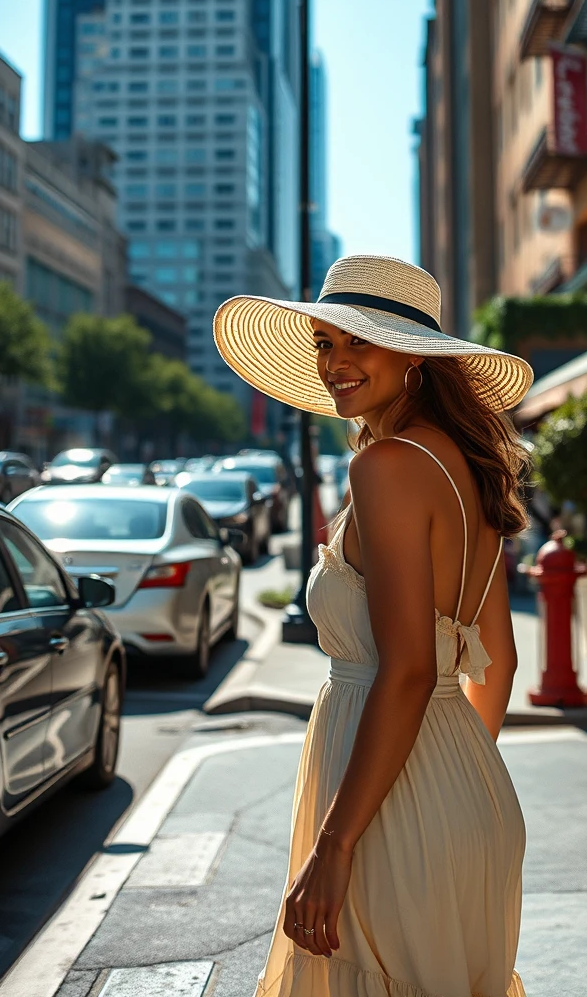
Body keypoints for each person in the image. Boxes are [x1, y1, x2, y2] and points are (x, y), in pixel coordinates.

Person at [214, 254, 533, 997]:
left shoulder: (385, 467)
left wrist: (335, 844)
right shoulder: (467, 469)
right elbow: (500, 662)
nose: (335, 363)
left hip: (386, 814)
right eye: (326, 343)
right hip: (466, 793)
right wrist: (450, 776)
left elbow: (410, 669)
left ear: (415, 358)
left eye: (360, 341)